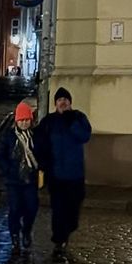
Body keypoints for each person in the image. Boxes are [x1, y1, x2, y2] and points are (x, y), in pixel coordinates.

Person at [33, 86, 92, 254]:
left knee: (74, 207)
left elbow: (85, 136)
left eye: (65, 100)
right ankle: (59, 237)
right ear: (55, 104)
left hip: (75, 173)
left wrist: (71, 122)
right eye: (59, 100)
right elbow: (39, 142)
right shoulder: (49, 121)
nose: (63, 102)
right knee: (58, 208)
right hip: (56, 173)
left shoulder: (78, 117)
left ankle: (68, 229)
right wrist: (43, 163)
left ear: (70, 103)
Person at [0, 102, 40, 252]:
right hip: (13, 181)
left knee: (32, 208)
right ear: (16, 121)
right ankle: (14, 233)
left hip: (30, 180)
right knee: (15, 209)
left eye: (27, 119)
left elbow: (43, 154)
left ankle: (26, 231)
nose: (24, 122)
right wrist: (7, 170)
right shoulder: (9, 136)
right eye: (21, 120)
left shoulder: (36, 136)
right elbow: (1, 155)